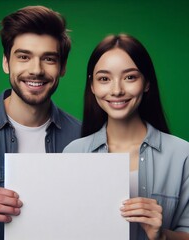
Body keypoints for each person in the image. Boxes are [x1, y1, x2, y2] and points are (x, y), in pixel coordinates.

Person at [0, 6, 81, 240]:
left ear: (62, 68)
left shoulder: (83, 138)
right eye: (23, 57)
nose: (36, 70)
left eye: (49, 59)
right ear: (6, 63)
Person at [63, 34, 189, 239]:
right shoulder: (73, 152)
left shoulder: (183, 154)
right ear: (93, 86)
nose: (117, 90)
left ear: (146, 83)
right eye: (104, 79)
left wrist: (162, 235)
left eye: (130, 77)